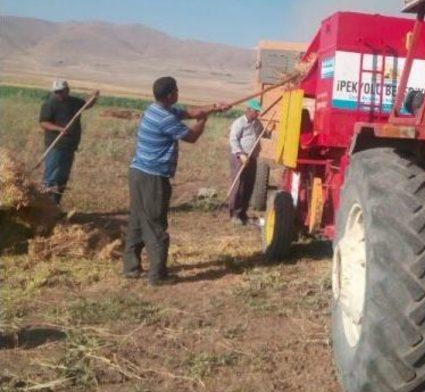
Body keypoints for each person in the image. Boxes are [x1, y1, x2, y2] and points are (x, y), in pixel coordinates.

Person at [123, 76, 228, 285]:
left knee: (137, 221)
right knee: (155, 224)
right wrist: (203, 120)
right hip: (152, 178)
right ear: (170, 94)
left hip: (137, 173)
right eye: (177, 90)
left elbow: (188, 111)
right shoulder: (165, 118)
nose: (179, 93)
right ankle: (157, 276)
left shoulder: (156, 109)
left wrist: (214, 107)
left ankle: (131, 268)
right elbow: (191, 136)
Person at [39, 79, 99, 203]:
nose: (58, 94)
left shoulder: (74, 102)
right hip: (56, 145)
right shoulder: (49, 104)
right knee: (51, 177)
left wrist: (94, 97)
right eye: (56, 92)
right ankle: (44, 207)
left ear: (67, 90)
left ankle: (55, 206)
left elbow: (86, 105)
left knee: (62, 178)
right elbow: (44, 122)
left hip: (70, 146)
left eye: (61, 91)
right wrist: (59, 129)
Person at [228, 99, 264, 225]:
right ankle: (234, 214)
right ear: (248, 110)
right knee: (239, 185)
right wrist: (241, 154)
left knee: (249, 185)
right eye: (256, 111)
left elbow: (264, 133)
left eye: (258, 112)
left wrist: (270, 130)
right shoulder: (239, 123)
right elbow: (233, 140)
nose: (258, 114)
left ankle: (243, 213)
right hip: (240, 158)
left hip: (252, 158)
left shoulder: (257, 123)